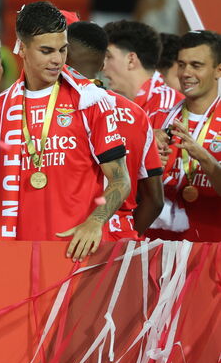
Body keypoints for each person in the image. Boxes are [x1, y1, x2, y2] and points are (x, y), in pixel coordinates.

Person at [0, 2, 130, 261]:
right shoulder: (0, 108)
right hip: (18, 254)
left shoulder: (89, 100)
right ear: (22, 48)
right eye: (46, 51)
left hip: (77, 253)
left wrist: (95, 221)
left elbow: (121, 180)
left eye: (63, 49)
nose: (57, 60)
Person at [67, 21, 164, 238]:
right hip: (120, 240)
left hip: (71, 236)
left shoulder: (57, 112)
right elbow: (155, 200)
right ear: (102, 63)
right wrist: (125, 234)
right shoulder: (136, 114)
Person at [152, 30, 221, 242]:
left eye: (196, 65)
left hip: (212, 249)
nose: (185, 73)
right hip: (158, 246)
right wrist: (145, 159)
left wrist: (204, 157)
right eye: (182, 65)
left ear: (218, 70)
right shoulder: (156, 119)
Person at [102, 20, 182, 125]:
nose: (103, 67)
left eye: (108, 57)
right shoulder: (115, 107)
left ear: (131, 60)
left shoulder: (167, 108)